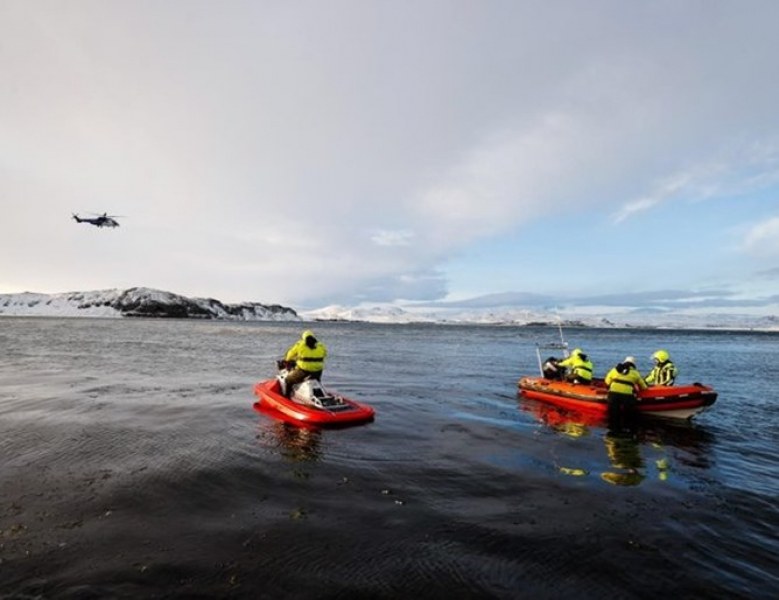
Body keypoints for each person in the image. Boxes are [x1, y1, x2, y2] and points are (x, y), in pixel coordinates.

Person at [604, 356, 647, 430]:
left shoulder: (614, 370)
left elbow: (607, 381)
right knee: (628, 415)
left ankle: (613, 431)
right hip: (627, 396)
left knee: (613, 415)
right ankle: (626, 429)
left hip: (613, 394)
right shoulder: (635, 373)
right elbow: (644, 387)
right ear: (633, 365)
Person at [281, 330, 327, 397]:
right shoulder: (320, 345)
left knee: (288, 380)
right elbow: (324, 354)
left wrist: (287, 360)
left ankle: (286, 397)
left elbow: (290, 355)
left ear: (303, 337)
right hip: (318, 371)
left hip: (304, 370)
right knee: (314, 383)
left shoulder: (300, 344)